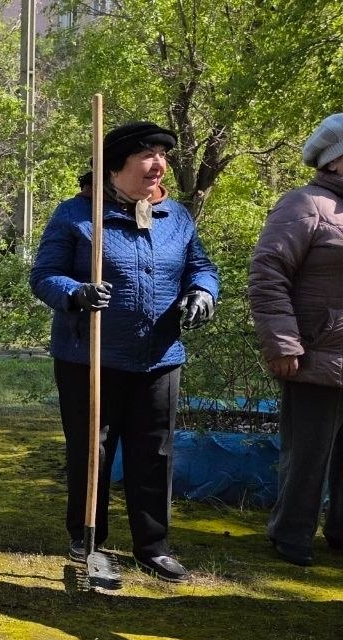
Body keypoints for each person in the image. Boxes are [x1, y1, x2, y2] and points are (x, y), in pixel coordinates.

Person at [29, 121, 220, 583]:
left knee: (154, 450)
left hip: (159, 356)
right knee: (91, 448)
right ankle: (88, 537)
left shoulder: (176, 217)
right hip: (89, 356)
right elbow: (44, 274)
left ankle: (152, 545)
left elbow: (201, 266)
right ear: (116, 166)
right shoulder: (78, 214)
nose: (159, 165)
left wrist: (202, 292)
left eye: (163, 155)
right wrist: (76, 292)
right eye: (148, 155)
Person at [249, 113, 343, 567]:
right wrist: (283, 343)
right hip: (315, 353)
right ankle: (290, 534)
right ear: (336, 160)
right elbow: (268, 274)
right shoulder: (305, 204)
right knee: (308, 455)